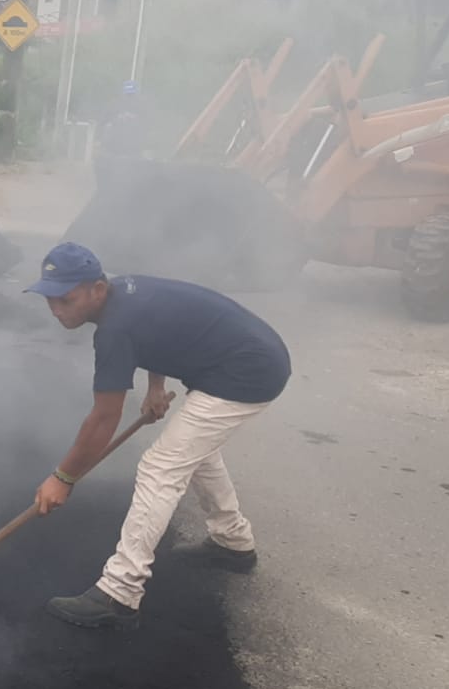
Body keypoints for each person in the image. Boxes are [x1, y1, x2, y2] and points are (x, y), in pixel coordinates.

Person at [25, 242, 291, 630]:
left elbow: (103, 418)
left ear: (97, 289)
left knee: (159, 466)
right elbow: (159, 334)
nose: (55, 309)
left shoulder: (113, 328)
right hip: (252, 355)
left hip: (247, 371)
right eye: (49, 298)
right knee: (195, 450)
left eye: (66, 299)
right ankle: (233, 543)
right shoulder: (123, 294)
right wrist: (155, 388)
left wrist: (62, 478)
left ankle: (119, 592)